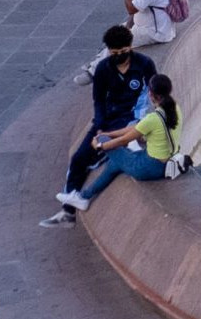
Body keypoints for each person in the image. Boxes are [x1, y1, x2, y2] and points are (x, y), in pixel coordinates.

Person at [55, 72, 181, 216]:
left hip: (149, 167)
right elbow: (136, 129)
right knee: (115, 164)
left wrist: (100, 145)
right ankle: (83, 198)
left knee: (108, 146)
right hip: (166, 162)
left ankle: (82, 198)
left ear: (151, 94)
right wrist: (109, 134)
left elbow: (124, 139)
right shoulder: (174, 108)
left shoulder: (153, 118)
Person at [59, 27, 157, 206]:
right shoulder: (104, 68)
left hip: (132, 116)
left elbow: (156, 91)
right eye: (115, 53)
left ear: (130, 47)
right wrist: (100, 123)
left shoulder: (144, 64)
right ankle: (70, 198)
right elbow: (98, 99)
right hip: (109, 115)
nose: (120, 56)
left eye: (123, 52)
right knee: (79, 157)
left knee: (105, 150)